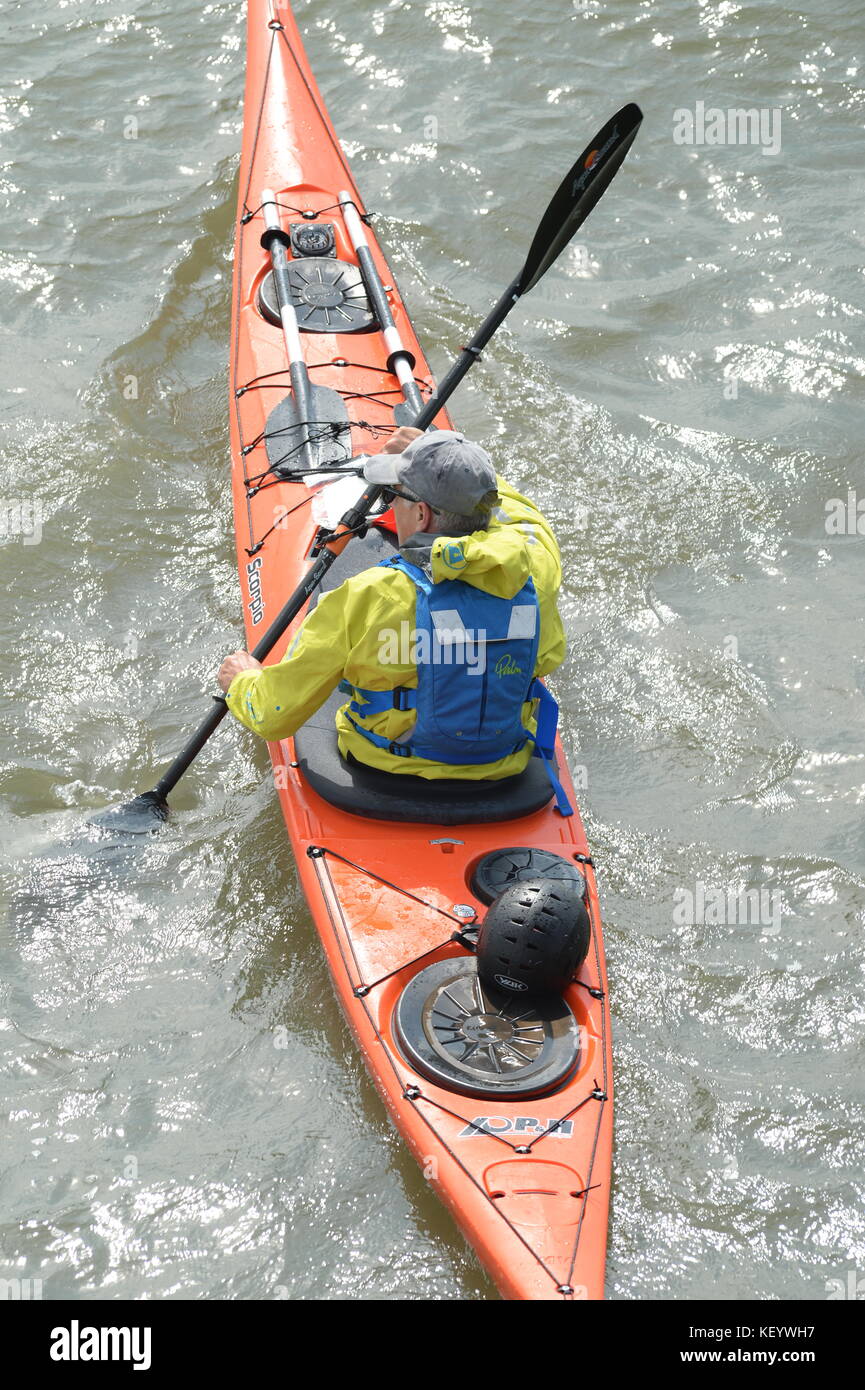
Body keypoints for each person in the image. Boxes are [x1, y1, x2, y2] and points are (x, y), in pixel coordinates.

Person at [218, 427, 571, 810]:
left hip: (387, 769)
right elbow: (529, 523)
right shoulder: (536, 569)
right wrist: (467, 478)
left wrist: (243, 681)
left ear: (420, 514)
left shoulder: (368, 595)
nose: (390, 506)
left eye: (394, 496)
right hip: (503, 768)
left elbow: (274, 716)